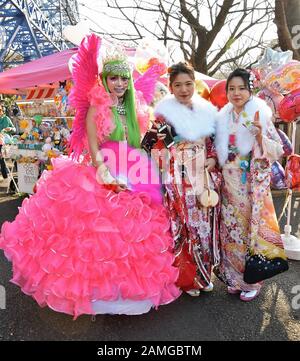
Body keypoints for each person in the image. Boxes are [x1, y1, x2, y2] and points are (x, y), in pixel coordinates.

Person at [0, 34, 180, 319]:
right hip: (101, 172)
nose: (119, 84)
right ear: (105, 79)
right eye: (114, 79)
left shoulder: (134, 109)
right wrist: (105, 174)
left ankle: (125, 290)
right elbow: (94, 148)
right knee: (94, 238)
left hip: (133, 173)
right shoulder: (97, 106)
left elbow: (135, 146)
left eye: (123, 79)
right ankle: (94, 293)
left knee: (130, 238)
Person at [143, 62, 221, 296]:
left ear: (194, 84)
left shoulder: (207, 111)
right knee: (184, 226)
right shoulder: (162, 115)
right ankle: (188, 278)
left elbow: (215, 143)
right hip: (177, 175)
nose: (184, 89)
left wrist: (213, 159)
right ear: (171, 87)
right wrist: (166, 152)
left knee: (204, 224)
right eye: (178, 85)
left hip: (202, 173)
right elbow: (149, 145)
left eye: (188, 84)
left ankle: (205, 272)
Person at [214, 68, 287, 301]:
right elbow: (219, 150)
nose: (236, 93)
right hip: (229, 182)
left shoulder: (260, 113)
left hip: (249, 184)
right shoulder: (223, 116)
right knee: (230, 232)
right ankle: (235, 279)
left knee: (248, 232)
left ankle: (252, 281)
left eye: (241, 88)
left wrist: (258, 137)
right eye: (232, 89)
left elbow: (277, 149)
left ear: (250, 90)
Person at [0, 104, 16, 179]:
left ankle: (8, 175)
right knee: (1, 159)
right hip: (1, 142)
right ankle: (5, 176)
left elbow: (14, 129)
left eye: (1, 110)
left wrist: (10, 129)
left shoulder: (6, 118)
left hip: (7, 142)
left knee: (11, 157)